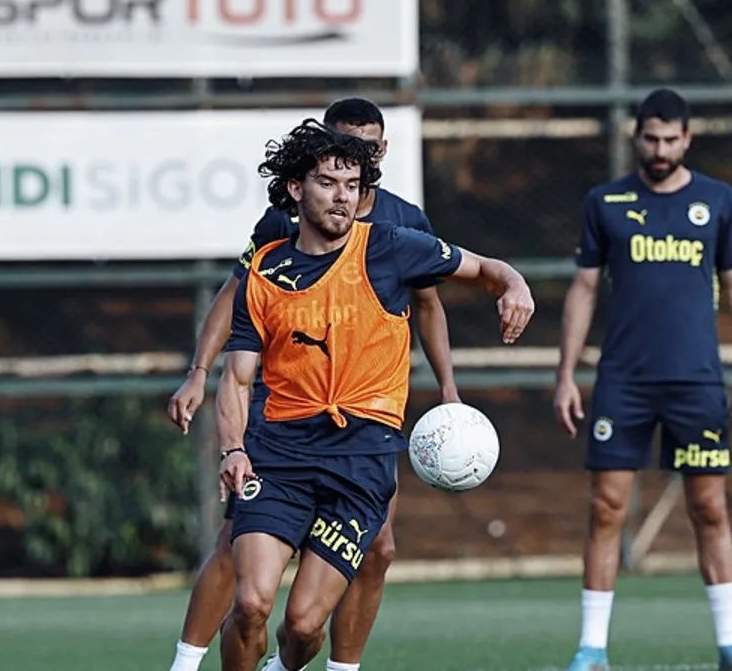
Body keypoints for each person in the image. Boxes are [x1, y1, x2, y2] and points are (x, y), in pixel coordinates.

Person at [217, 118, 533, 671]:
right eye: (327, 183)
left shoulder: (391, 246)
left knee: (303, 626)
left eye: (352, 185)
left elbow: (485, 268)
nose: (343, 197)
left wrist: (515, 285)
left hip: (360, 464)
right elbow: (238, 378)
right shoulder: (265, 272)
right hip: (279, 456)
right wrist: (233, 448)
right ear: (296, 188)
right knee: (250, 605)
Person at [166, 97, 459, 671]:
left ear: (381, 152)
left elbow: (429, 304)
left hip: (363, 417)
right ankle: (186, 662)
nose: (350, 165)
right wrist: (200, 372)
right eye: (337, 151)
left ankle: (337, 666)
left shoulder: (402, 225)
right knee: (242, 548)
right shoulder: (285, 222)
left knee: (378, 548)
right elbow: (237, 293)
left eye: (364, 151)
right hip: (285, 410)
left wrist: (449, 390)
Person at [554, 89, 732, 671]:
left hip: (697, 382)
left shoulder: (718, 201)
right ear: (636, 137)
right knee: (606, 507)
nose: (660, 150)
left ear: (687, 139)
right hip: (624, 380)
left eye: (671, 139)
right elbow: (584, 288)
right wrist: (566, 374)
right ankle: (592, 648)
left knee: (710, 507)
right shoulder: (606, 202)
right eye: (651, 138)